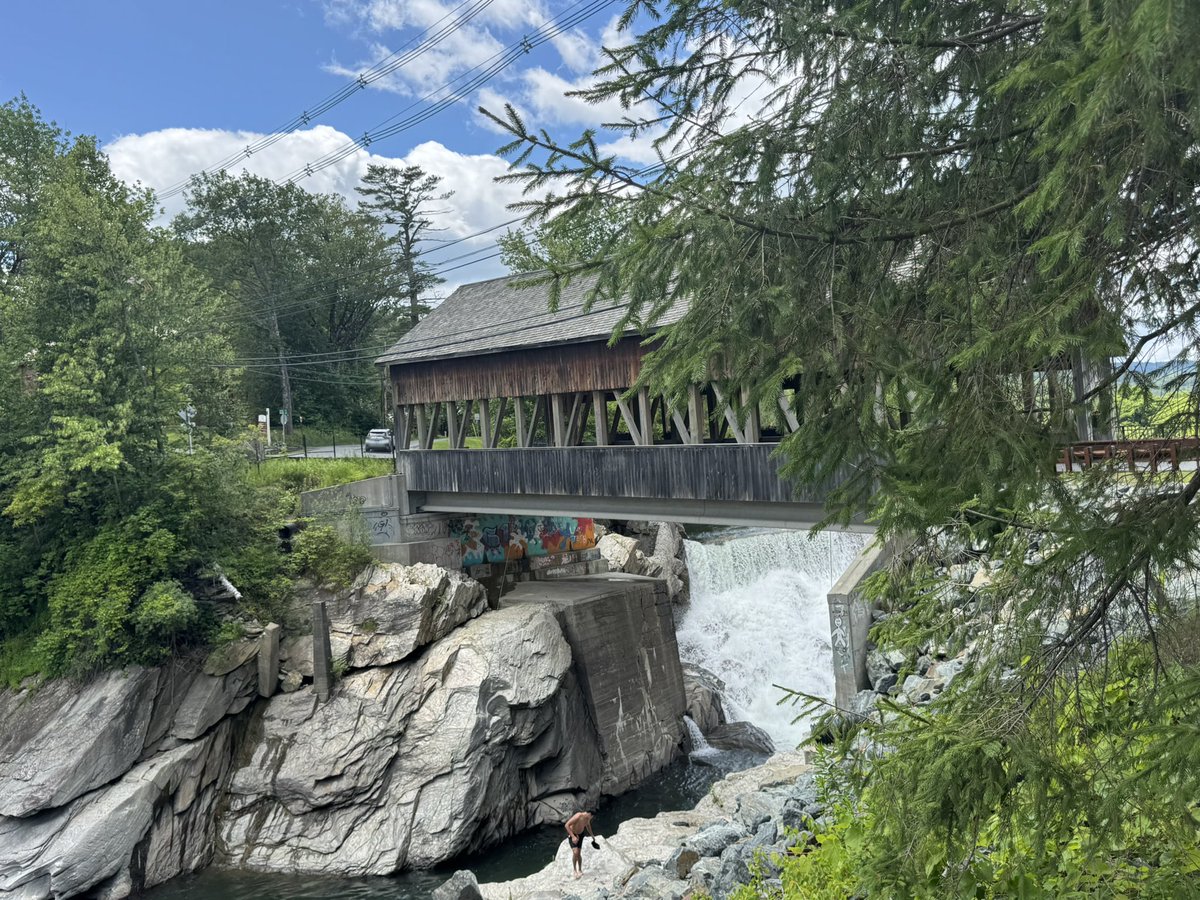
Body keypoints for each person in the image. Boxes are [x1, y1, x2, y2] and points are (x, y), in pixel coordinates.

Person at [564, 810, 597, 879]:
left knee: (578, 853)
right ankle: (574, 869)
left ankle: (580, 869)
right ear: (589, 814)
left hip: (581, 835)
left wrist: (592, 836)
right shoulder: (578, 816)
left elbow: (588, 826)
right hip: (573, 834)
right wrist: (573, 837)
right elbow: (567, 825)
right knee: (575, 852)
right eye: (591, 817)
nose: (590, 819)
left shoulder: (587, 819)